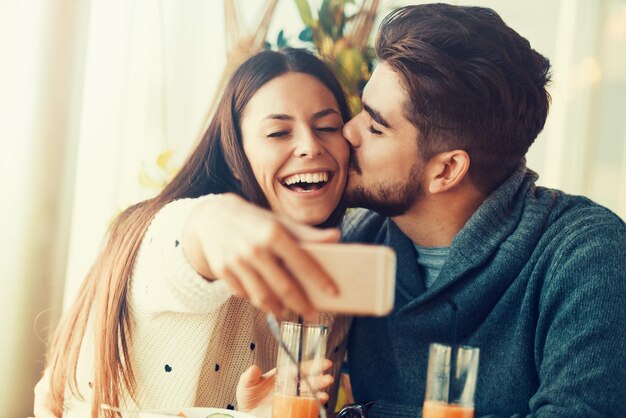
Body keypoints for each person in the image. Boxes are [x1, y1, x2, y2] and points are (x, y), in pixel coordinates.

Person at [155, 4, 626, 418]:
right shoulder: (358, 240)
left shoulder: (588, 257)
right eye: (361, 110)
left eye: (376, 127)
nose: (348, 133)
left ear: (446, 171)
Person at [35, 47, 353, 418]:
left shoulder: (334, 277)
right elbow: (191, 235)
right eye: (278, 132)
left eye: (327, 127)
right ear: (236, 157)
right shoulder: (161, 239)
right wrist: (218, 221)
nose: (310, 146)